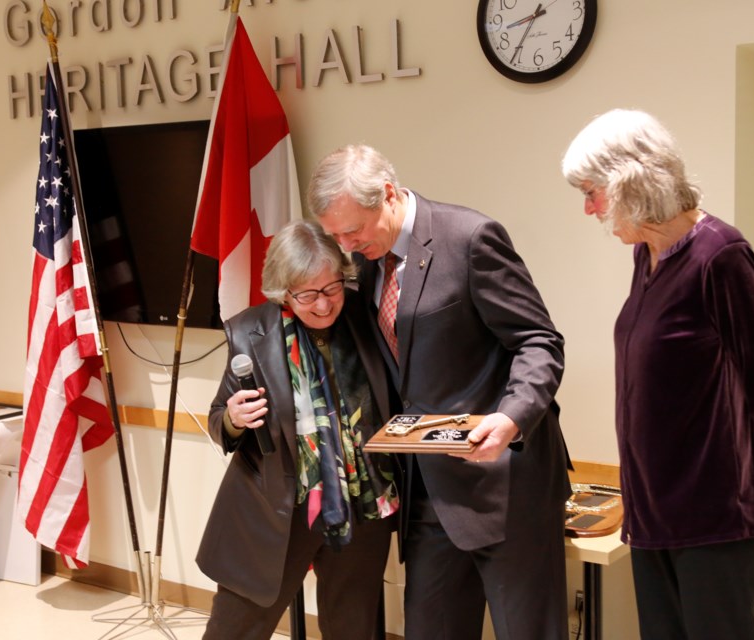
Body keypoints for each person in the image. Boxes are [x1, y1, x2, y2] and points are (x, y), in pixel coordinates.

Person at [307, 144, 572, 640]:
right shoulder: (367, 264)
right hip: (426, 490)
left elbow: (539, 342)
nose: (345, 244)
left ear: (387, 195)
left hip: (504, 483)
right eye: (335, 234)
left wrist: (512, 417)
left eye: (353, 230)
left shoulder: (469, 238)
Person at [562, 109, 754, 640]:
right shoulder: (647, 257)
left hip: (713, 516)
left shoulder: (722, 255)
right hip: (651, 514)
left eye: (592, 191)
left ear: (631, 181)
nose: (588, 208)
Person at [196, 219, 400, 640]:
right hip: (279, 509)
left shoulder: (364, 316)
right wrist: (233, 417)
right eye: (308, 295)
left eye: (331, 289)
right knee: (237, 629)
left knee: (353, 628)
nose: (324, 305)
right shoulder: (249, 332)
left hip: (361, 505)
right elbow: (220, 419)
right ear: (283, 292)